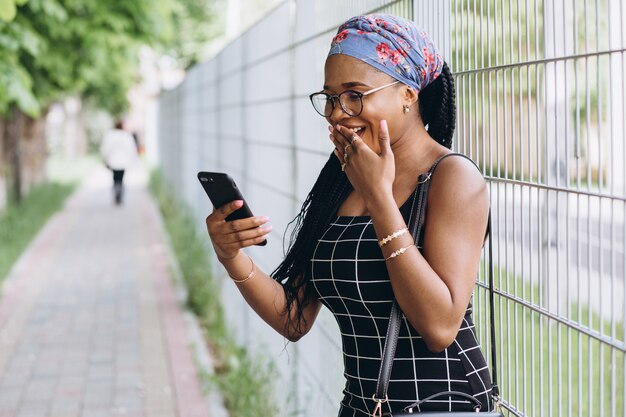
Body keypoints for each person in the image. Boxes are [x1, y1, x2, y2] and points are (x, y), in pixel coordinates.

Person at [205, 13, 493, 416]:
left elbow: (440, 326)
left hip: (443, 406)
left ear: (408, 94)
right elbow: (295, 318)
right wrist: (231, 256)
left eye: (355, 94)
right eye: (330, 97)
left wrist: (380, 199)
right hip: (362, 407)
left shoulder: (451, 178)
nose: (338, 112)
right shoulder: (343, 180)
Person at [100, 120, 138, 205]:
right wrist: (133, 161)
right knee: (121, 178)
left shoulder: (110, 135)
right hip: (123, 162)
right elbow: (131, 150)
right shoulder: (127, 136)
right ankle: (119, 191)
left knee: (115, 178)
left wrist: (105, 159)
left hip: (113, 161)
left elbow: (105, 148)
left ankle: (116, 190)